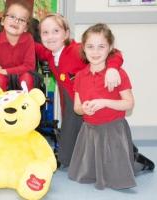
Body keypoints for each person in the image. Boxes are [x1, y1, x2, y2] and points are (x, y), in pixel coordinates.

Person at [35, 14, 123, 168]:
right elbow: (28, 46)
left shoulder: (76, 50)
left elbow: (114, 53)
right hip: (71, 102)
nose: (50, 37)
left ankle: (130, 157)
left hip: (90, 100)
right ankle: (74, 158)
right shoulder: (49, 53)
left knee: (100, 138)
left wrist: (112, 69)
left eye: (56, 31)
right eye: (45, 32)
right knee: (70, 147)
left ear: (66, 34)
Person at [68, 23, 137, 189]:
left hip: (113, 130)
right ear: (83, 48)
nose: (95, 52)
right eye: (90, 47)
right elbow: (76, 107)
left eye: (101, 47)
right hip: (89, 132)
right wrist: (83, 108)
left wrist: (104, 103)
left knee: (117, 176)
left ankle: (138, 161)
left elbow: (129, 103)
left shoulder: (118, 74)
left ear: (110, 48)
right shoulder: (79, 76)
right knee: (87, 174)